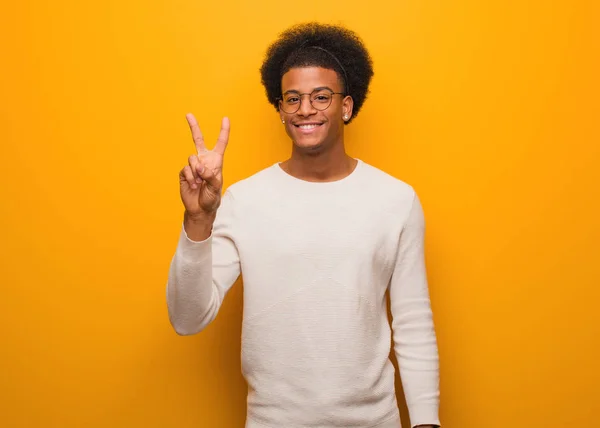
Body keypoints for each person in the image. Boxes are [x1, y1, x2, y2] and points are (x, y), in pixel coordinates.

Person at [167, 22, 441, 428]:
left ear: (346, 106)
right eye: (292, 98)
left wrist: (427, 421)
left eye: (320, 96)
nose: (305, 109)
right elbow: (187, 318)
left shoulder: (396, 200)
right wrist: (198, 220)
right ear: (280, 110)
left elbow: (414, 322)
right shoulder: (244, 200)